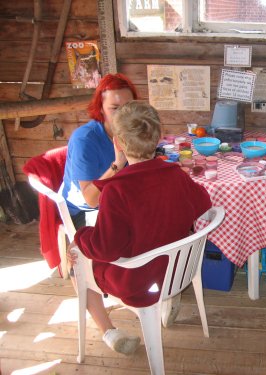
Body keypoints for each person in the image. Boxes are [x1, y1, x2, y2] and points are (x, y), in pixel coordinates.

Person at [67, 101, 212, 355]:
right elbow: (203, 203)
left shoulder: (116, 190)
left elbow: (105, 249)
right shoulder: (176, 175)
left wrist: (80, 237)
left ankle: (109, 331)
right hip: (176, 269)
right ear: (157, 138)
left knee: (75, 261)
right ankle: (164, 302)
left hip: (137, 280)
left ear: (119, 144)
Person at [60, 73, 138, 230]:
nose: (124, 115)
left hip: (118, 197)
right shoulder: (85, 140)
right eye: (115, 108)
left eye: (128, 107)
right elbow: (91, 199)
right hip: (85, 211)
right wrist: (117, 164)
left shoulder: (131, 131)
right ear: (100, 109)